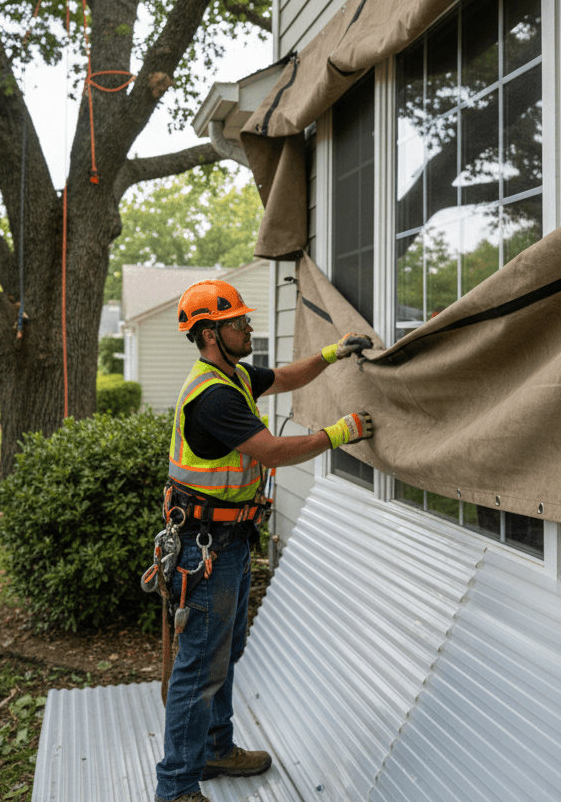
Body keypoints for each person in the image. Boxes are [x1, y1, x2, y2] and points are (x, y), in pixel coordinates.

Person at [154, 279, 374, 802]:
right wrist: (341, 432)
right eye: (238, 322)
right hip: (208, 548)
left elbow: (283, 376)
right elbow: (272, 452)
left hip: (227, 539)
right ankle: (176, 787)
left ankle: (214, 747)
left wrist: (331, 353)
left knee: (221, 655)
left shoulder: (230, 376)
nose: (248, 327)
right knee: (198, 668)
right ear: (209, 333)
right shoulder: (211, 397)